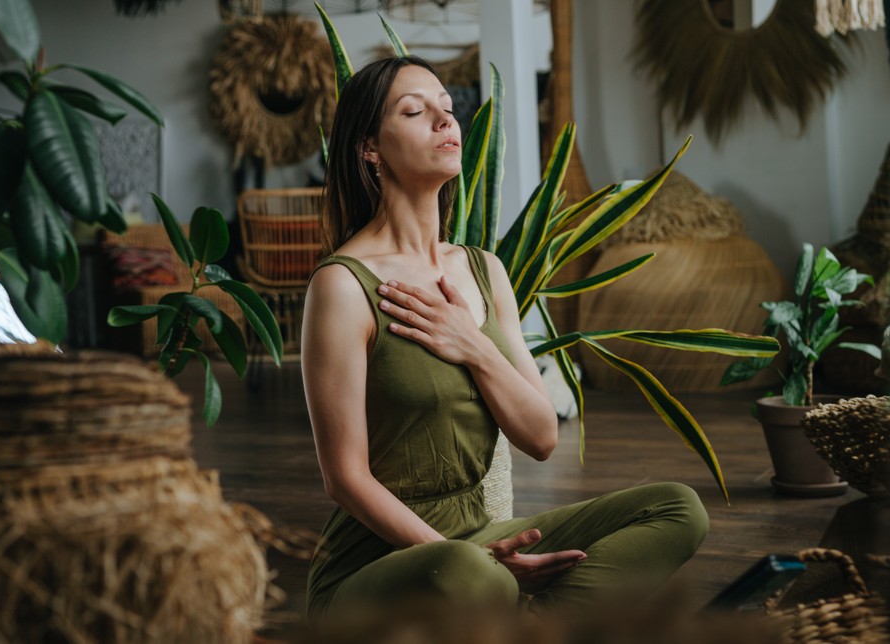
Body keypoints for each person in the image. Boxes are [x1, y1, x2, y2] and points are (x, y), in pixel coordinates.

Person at [300, 55, 708, 619]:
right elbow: (344, 477)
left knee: (678, 508)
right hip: (380, 561)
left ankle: (528, 625)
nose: (446, 121)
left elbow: (541, 437)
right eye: (416, 111)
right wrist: (469, 559)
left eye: (448, 108)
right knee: (474, 574)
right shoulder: (343, 286)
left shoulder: (484, 270)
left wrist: (472, 344)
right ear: (369, 147)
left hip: (481, 534)